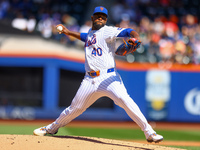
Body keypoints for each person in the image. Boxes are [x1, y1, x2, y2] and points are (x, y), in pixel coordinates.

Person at [33, 6, 163, 143]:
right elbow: (86, 37)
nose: (100, 18)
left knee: (125, 100)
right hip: (89, 80)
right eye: (98, 16)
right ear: (92, 18)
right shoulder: (90, 32)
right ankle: (51, 128)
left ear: (106, 19)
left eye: (103, 16)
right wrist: (68, 32)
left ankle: (150, 132)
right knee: (74, 108)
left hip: (108, 78)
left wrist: (136, 38)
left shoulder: (108, 30)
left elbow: (129, 31)